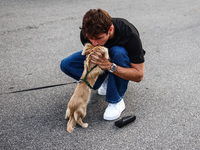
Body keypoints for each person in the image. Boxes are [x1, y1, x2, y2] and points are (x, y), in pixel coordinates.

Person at [60, 9, 145, 121]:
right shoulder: (86, 34)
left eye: (99, 38)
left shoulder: (129, 34)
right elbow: (92, 53)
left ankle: (116, 100)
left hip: (122, 60)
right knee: (66, 64)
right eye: (91, 39)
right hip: (105, 60)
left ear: (110, 29)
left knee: (118, 51)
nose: (94, 43)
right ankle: (104, 80)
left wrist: (110, 66)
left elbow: (139, 75)